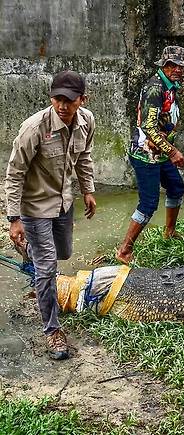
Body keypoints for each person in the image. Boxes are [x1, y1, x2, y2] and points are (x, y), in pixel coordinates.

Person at [5, 70, 97, 360]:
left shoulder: (86, 122)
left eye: (69, 100)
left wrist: (88, 190)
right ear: (51, 98)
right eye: (57, 99)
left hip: (63, 202)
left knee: (64, 252)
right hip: (34, 206)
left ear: (82, 99)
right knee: (47, 267)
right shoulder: (35, 127)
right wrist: (14, 218)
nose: (63, 106)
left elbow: (83, 157)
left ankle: (29, 249)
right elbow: (14, 173)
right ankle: (52, 331)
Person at [116, 46, 184, 264]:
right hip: (146, 155)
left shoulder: (170, 86)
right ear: (165, 66)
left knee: (176, 188)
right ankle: (124, 251)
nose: (178, 70)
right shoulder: (155, 88)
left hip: (160, 153)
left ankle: (169, 232)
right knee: (148, 203)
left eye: (182, 67)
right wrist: (173, 151)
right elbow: (149, 127)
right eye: (173, 66)